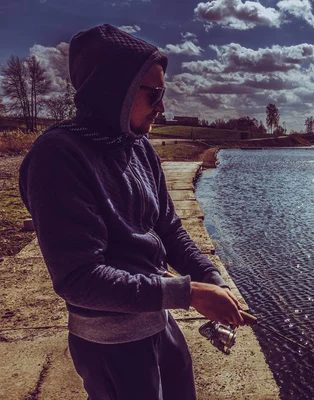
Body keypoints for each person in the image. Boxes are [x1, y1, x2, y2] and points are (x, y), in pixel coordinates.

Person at [19, 24, 244, 400]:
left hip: (160, 326)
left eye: (164, 93)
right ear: (113, 90)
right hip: (112, 349)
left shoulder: (138, 147)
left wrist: (210, 277)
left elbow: (168, 229)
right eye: (154, 94)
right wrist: (188, 293)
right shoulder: (56, 157)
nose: (162, 106)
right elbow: (80, 278)